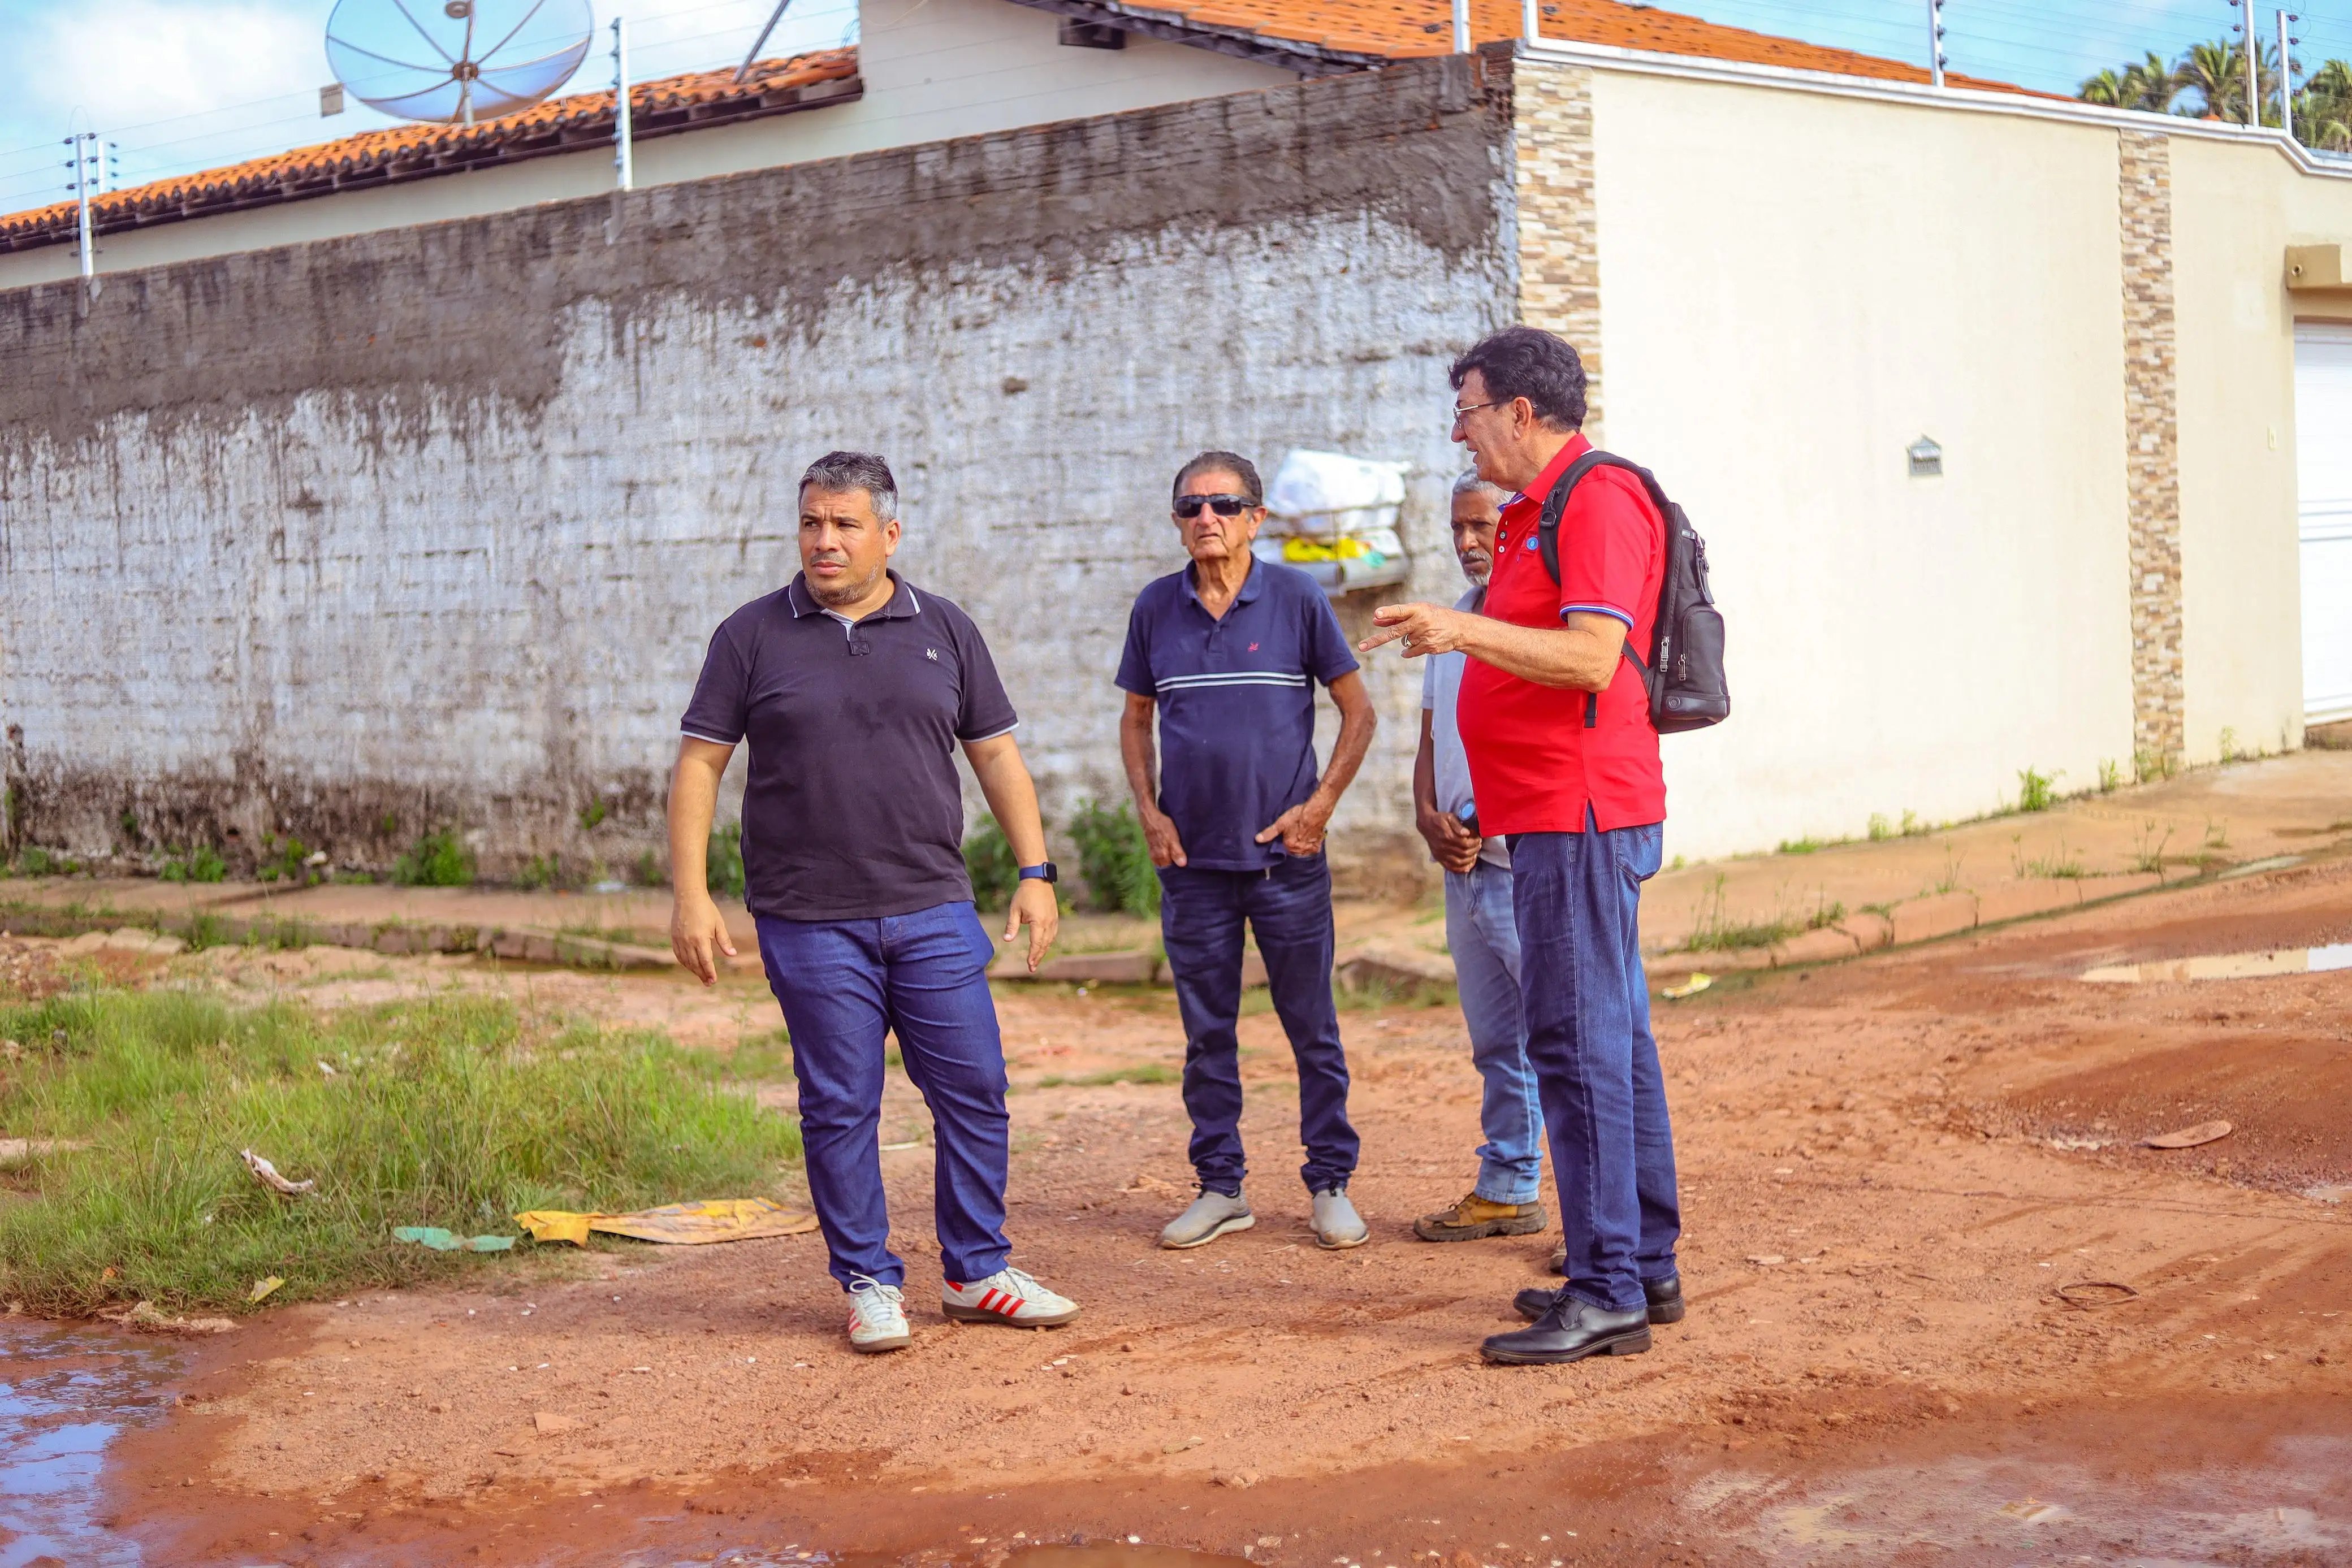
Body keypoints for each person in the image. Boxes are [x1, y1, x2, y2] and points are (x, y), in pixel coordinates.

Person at [668, 449, 1082, 1356]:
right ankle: (868, 1281)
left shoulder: (945, 627)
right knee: (839, 1102)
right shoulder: (750, 636)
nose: (825, 540)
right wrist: (692, 896)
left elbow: (998, 756)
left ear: (889, 534)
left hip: (933, 905)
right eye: (812, 522)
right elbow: (700, 763)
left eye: (846, 524)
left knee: (974, 1086)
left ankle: (977, 1273)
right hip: (808, 916)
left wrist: (1036, 871)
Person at [1359, 327, 1683, 1365]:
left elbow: (1592, 659)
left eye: (1467, 410)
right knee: (1611, 1040)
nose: (1459, 431)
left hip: (1579, 813)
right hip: (1552, 814)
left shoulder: (1595, 499)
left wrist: (1463, 633)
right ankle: (1641, 1266)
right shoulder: (1537, 513)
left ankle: (1606, 1290)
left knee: (1578, 1046)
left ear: (1523, 413)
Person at [1116, 451, 1380, 1252]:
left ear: (1256, 519)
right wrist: (1151, 815)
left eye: (1225, 505)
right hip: (1193, 868)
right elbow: (1135, 721)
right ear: (1176, 521)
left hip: (1287, 863)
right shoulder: (1157, 607)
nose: (1207, 519)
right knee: (1207, 1034)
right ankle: (1221, 1186)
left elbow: (1358, 712)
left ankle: (1330, 1181)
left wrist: (1320, 805)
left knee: (1312, 1026)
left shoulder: (1297, 596)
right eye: (1191, 507)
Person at [1409, 471, 1547, 1249]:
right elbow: (1432, 737)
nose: (1467, 543)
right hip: (1463, 869)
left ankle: (1606, 1223)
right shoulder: (1455, 621)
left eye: (1481, 526)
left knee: (1565, 1040)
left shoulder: (1539, 626)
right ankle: (1508, 1183)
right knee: (1498, 1042)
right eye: (1457, 529)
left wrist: (1494, 815)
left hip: (1528, 863)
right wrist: (1428, 816)